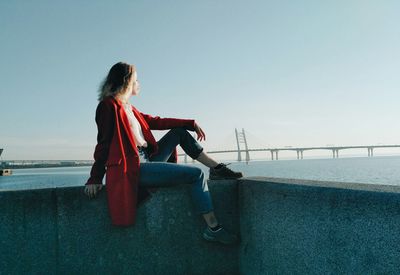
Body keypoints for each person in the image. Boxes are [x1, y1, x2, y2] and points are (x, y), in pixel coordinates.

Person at [84, 62, 243, 245]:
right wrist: (95, 178)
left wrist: (190, 123)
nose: (139, 84)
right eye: (136, 80)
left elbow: (157, 122)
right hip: (133, 168)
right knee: (196, 175)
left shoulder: (129, 108)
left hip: (147, 159)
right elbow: (103, 143)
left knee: (179, 133)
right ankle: (213, 229)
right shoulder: (108, 106)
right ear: (127, 81)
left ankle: (217, 168)